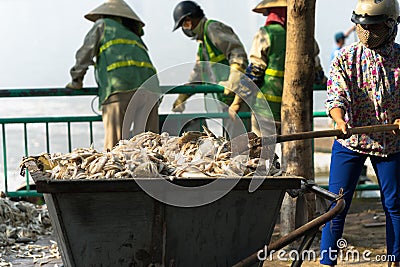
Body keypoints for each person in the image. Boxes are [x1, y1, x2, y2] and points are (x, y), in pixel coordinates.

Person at [320, 0, 400, 266]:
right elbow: (336, 94)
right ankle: (326, 261)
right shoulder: (346, 57)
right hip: (350, 140)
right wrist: (339, 119)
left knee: (395, 205)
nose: (366, 33)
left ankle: (396, 259)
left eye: (374, 27)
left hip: (391, 143)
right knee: (336, 205)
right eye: (361, 26)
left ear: (391, 26)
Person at [66, 0, 159, 151]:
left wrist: (76, 80)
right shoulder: (134, 35)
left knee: (115, 150)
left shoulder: (103, 25)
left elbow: (85, 53)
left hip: (120, 89)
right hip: (151, 91)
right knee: (150, 148)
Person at [171, 0, 249, 139]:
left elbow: (237, 52)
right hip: (225, 100)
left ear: (191, 19)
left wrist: (235, 77)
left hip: (237, 97)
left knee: (242, 140)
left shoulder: (212, 28)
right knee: (231, 141)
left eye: (185, 24)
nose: (186, 29)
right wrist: (182, 97)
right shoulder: (203, 44)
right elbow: (198, 73)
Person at [243, 0, 287, 137]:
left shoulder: (266, 33)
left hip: (265, 109)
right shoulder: (304, 35)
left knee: (264, 153)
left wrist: (240, 96)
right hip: (296, 111)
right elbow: (317, 73)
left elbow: (255, 70)